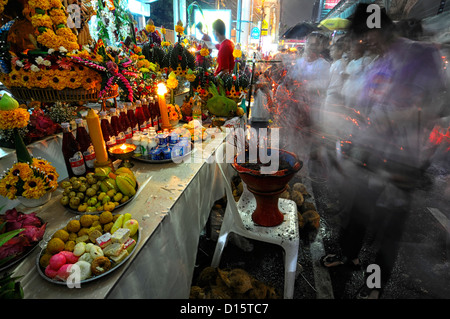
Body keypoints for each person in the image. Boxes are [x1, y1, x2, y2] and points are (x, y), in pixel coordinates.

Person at [319, 4, 447, 299]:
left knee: (388, 227)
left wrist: (399, 115)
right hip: (369, 151)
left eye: (368, 35)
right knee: (358, 212)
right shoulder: (377, 62)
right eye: (361, 38)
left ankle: (375, 285)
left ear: (383, 27)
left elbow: (440, 105)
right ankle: (348, 256)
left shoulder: (421, 54)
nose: (365, 42)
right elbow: (363, 105)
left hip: (404, 159)